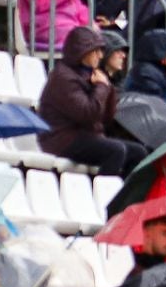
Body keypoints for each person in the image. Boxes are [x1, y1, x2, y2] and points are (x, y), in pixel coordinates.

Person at [37, 24, 146, 175]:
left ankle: (125, 194)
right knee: (115, 151)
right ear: (82, 52)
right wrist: (101, 87)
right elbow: (88, 114)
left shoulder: (89, 74)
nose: (101, 56)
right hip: (61, 139)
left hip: (84, 135)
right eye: (96, 51)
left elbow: (106, 118)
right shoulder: (63, 78)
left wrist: (107, 87)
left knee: (138, 152)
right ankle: (105, 195)